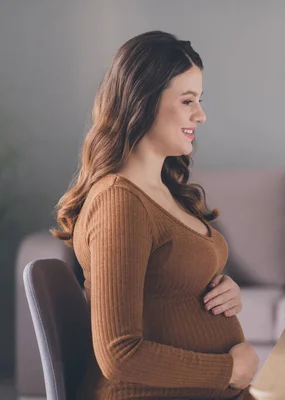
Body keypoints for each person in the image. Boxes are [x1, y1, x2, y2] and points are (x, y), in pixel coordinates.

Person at [50, 31, 259, 400]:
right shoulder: (119, 202)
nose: (201, 114)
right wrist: (228, 369)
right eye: (187, 101)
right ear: (142, 102)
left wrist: (219, 290)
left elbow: (165, 287)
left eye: (200, 100)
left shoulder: (164, 190)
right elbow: (120, 354)